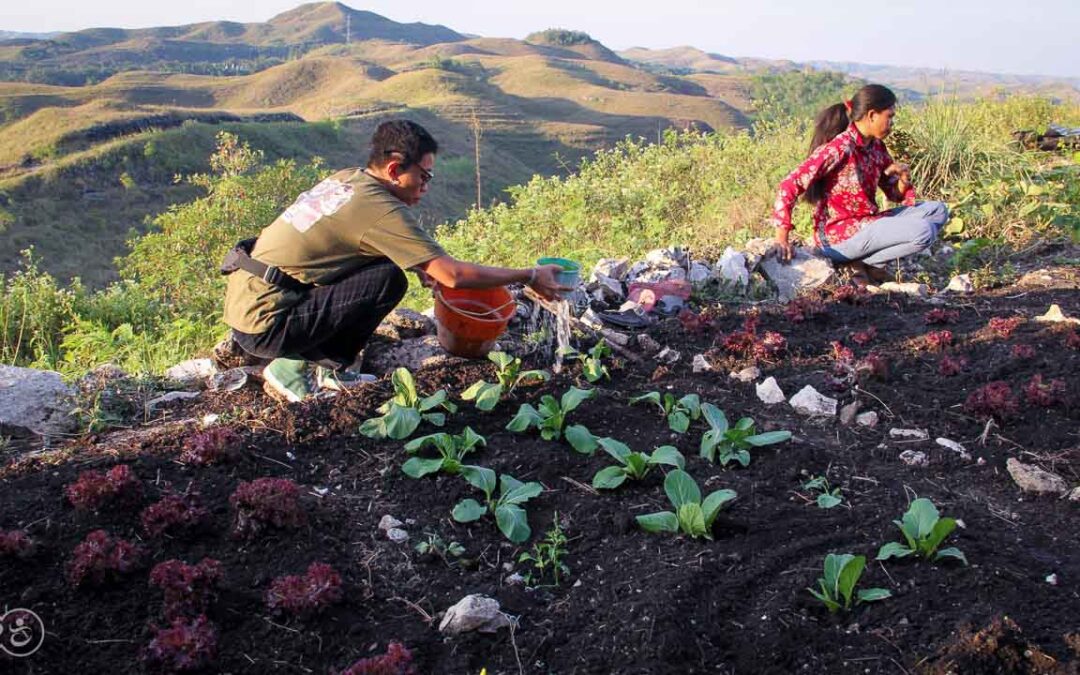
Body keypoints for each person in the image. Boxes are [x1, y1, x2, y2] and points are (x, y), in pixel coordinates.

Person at [222, 119, 567, 402]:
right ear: (393, 168)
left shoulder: (349, 180)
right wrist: (530, 274)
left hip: (252, 301)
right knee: (388, 280)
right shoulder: (378, 208)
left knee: (387, 271)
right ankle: (294, 370)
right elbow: (454, 275)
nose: (426, 186)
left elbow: (356, 247)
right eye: (424, 176)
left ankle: (330, 369)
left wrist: (420, 264)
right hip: (268, 324)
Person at [770, 84, 950, 286]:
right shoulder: (840, 147)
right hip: (838, 236)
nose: (891, 123)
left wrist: (903, 179)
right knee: (924, 231)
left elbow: (894, 194)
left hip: (868, 223)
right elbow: (789, 184)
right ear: (872, 115)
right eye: (889, 117)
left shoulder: (876, 147)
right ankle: (867, 263)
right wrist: (782, 237)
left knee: (938, 211)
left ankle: (864, 262)